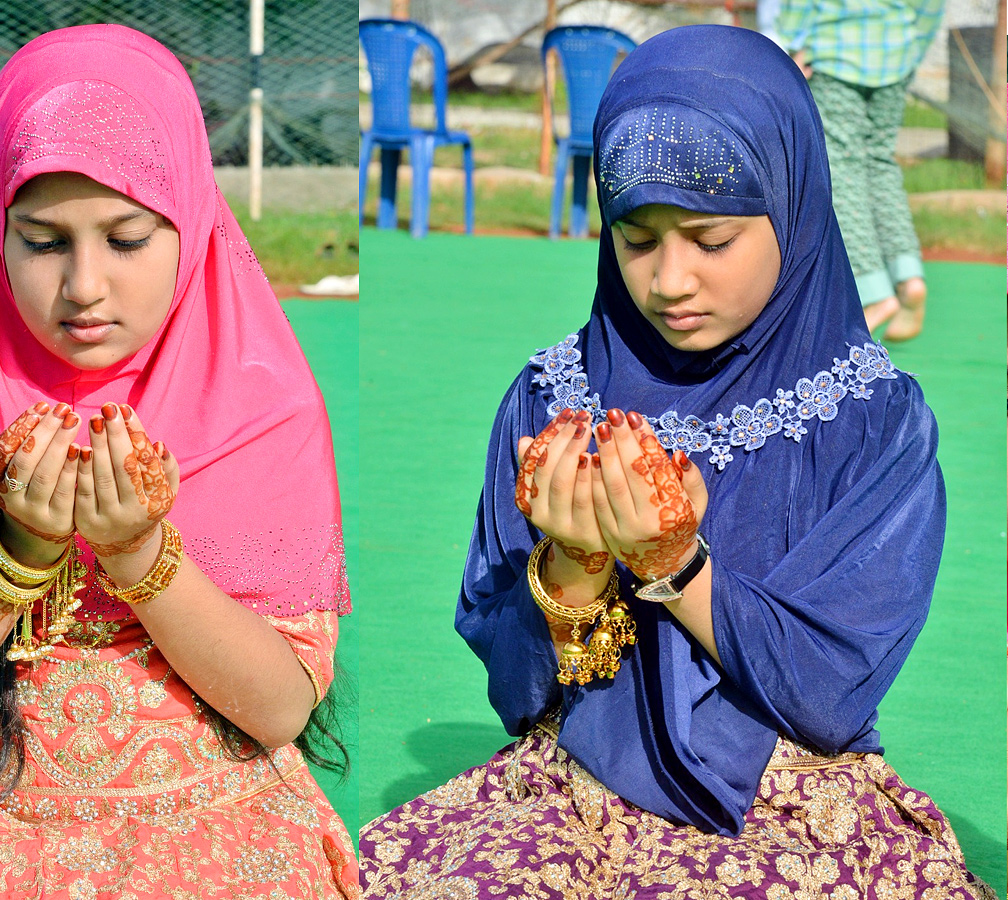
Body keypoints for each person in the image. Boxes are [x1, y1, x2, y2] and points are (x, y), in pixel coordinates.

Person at [359, 26, 991, 898]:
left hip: (792, 801)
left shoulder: (873, 425)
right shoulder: (553, 404)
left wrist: (673, 565)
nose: (669, 281)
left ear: (796, 212)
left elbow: (830, 693)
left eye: (711, 239)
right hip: (569, 788)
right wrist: (573, 565)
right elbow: (515, 693)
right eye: (637, 237)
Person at [0, 24, 356, 899]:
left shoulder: (262, 405)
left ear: (190, 216)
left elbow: (280, 706)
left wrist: (141, 557)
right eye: (42, 240)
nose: (85, 286)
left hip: (210, 822)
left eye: (128, 238)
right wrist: (16, 550)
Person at [777, 0, 943, 339]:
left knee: (841, 169)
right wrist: (912, 48)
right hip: (896, 54)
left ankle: (874, 293)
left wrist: (790, 43)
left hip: (837, 57)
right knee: (880, 163)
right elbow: (931, 7)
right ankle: (908, 276)